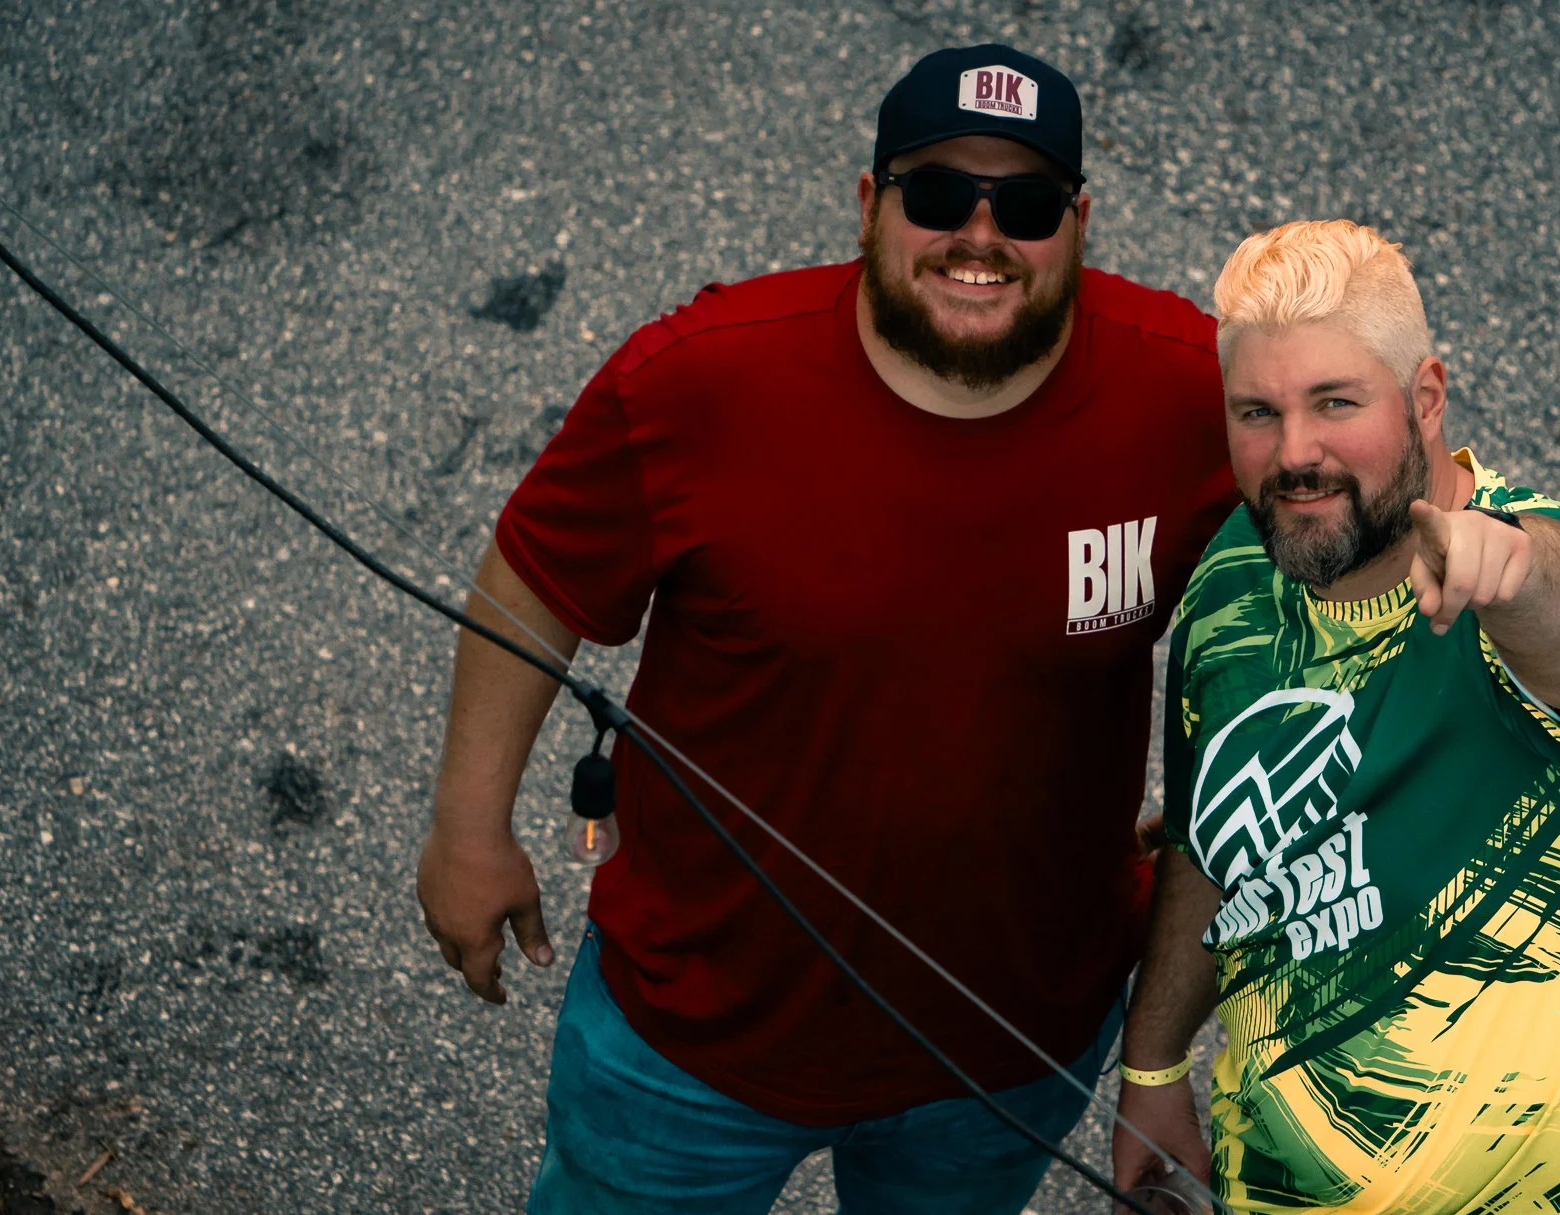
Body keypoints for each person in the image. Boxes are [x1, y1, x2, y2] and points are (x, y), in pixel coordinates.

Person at [416, 43, 1238, 1215]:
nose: (981, 235)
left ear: (1081, 221)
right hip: (688, 1041)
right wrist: (466, 825)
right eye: (940, 194)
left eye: (1029, 203)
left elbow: (1336, 572)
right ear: (870, 205)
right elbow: (537, 574)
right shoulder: (701, 381)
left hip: (1008, 1055)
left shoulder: (1190, 396)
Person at [1111, 220, 1560, 1214]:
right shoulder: (1232, 589)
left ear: (1426, 399)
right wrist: (1151, 1070)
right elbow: (1211, 838)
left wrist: (1517, 567)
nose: (1296, 454)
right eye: (1258, 413)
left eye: (1336, 403)